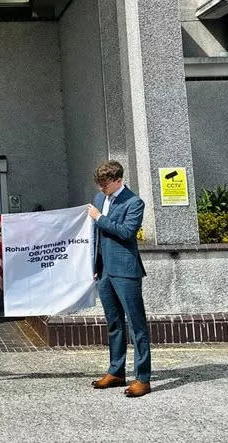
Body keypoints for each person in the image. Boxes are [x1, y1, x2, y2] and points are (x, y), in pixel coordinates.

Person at [86, 160, 152, 398]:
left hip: (125, 270)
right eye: (100, 185)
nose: (102, 189)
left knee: (137, 326)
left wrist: (100, 218)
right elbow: (95, 234)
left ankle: (143, 378)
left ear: (118, 181)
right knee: (113, 323)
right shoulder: (99, 199)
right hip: (104, 270)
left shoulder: (134, 202)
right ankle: (116, 371)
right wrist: (94, 264)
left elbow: (126, 232)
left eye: (106, 185)